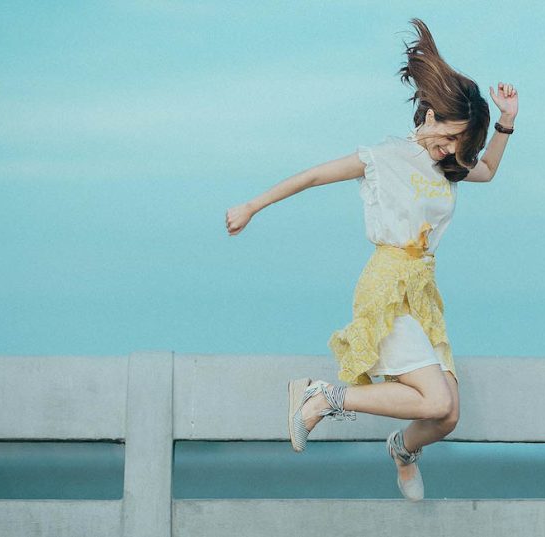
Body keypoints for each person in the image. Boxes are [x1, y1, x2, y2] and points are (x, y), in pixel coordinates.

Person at [224, 18, 518, 501]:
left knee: (447, 415)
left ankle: (402, 450)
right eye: (450, 137)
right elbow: (314, 176)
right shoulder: (385, 157)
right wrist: (252, 206)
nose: (451, 149)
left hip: (422, 293)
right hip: (387, 285)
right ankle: (324, 396)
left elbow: (486, 170)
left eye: (459, 144)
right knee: (435, 399)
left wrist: (507, 120)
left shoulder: (447, 166)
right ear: (431, 116)